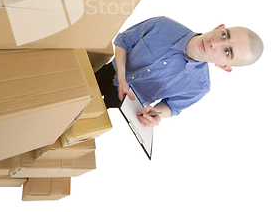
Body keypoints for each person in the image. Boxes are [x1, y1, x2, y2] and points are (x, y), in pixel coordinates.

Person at [96, 16, 263, 128]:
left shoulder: (200, 86)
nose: (214, 43)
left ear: (223, 66)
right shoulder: (162, 24)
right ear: (219, 27)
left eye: (227, 52)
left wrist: (156, 115)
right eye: (224, 35)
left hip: (124, 105)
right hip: (104, 71)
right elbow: (123, 41)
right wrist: (121, 77)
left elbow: (171, 107)